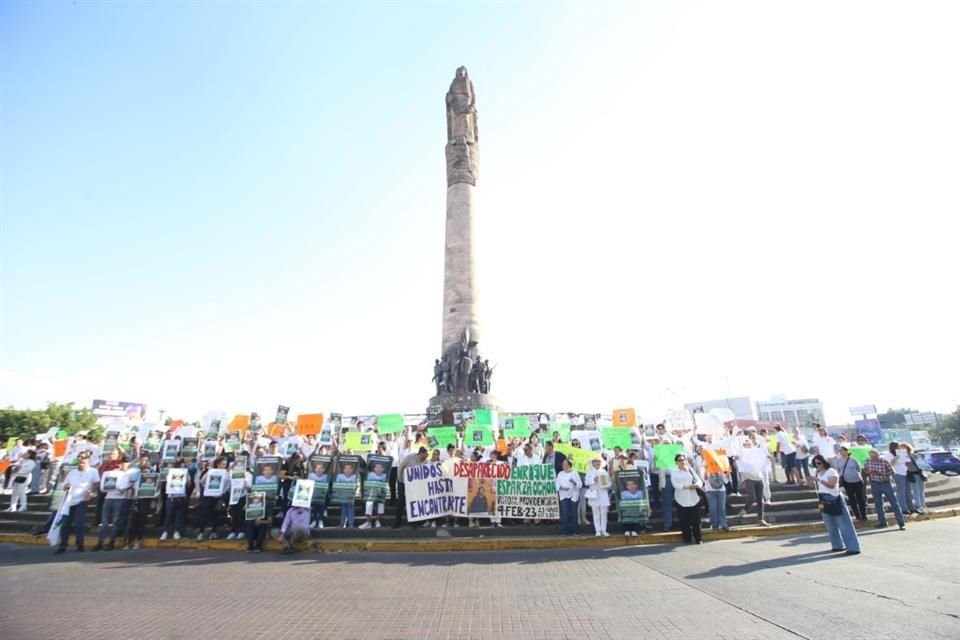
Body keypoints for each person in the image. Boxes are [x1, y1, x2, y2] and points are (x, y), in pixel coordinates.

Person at [808, 454, 861, 555]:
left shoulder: (831, 471)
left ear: (824, 462)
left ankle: (853, 547)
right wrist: (810, 480)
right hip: (822, 498)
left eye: (819, 463)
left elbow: (832, 485)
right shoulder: (816, 472)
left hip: (834, 497)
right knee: (829, 524)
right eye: (815, 463)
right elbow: (813, 485)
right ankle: (837, 545)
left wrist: (819, 480)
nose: (817, 465)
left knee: (843, 523)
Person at [55, 452, 101, 554]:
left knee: (79, 523)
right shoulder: (72, 473)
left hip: (82, 500)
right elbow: (64, 485)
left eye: (84, 463)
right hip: (70, 500)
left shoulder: (93, 471)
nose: (81, 464)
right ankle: (63, 545)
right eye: (80, 463)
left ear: (88, 463)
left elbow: (96, 483)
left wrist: (91, 491)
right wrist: (66, 486)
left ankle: (80, 545)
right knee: (66, 523)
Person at [93, 455, 133, 551]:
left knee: (116, 522)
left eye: (126, 463)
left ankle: (111, 542)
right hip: (109, 498)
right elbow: (103, 486)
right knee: (104, 522)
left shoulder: (129, 475)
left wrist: (124, 489)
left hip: (120, 499)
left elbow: (129, 486)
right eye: (122, 463)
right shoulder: (111, 473)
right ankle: (100, 542)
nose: (123, 464)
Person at [862, 449, 906, 530]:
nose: (873, 458)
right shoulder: (867, 462)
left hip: (885, 483)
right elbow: (865, 471)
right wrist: (869, 472)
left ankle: (901, 523)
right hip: (874, 483)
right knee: (878, 504)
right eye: (871, 456)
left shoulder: (884, 461)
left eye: (875, 456)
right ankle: (882, 522)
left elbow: (892, 472)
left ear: (878, 455)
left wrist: (883, 474)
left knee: (894, 503)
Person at [670, 454, 703, 544]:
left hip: (693, 498)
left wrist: (697, 485)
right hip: (681, 499)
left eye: (683, 460)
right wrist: (686, 487)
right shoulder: (674, 472)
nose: (682, 462)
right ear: (676, 462)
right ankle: (687, 538)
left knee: (696, 520)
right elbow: (675, 484)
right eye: (680, 460)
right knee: (684, 521)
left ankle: (698, 538)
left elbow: (699, 480)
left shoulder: (690, 470)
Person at [394, 447, 429, 528]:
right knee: (400, 502)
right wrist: (400, 480)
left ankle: (413, 523)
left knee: (413, 503)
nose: (427, 456)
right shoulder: (410, 457)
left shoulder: (426, 462)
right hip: (403, 483)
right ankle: (397, 522)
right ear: (421, 453)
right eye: (426, 454)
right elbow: (401, 467)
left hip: (415, 486)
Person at [738, 438, 769, 526]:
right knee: (752, 497)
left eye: (749, 444)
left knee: (761, 500)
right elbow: (738, 464)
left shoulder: (756, 454)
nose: (747, 446)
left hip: (759, 478)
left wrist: (768, 457)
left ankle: (760, 519)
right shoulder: (741, 454)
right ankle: (746, 509)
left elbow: (764, 459)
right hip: (749, 479)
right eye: (745, 445)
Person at [883, 442, 915, 515]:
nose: (899, 448)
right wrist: (897, 457)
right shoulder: (889, 455)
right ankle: (903, 508)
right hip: (897, 473)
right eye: (898, 447)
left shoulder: (902, 453)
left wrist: (906, 457)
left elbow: (906, 462)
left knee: (908, 491)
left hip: (905, 472)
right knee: (901, 492)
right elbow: (890, 464)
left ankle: (911, 507)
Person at [837, 447, 867, 522]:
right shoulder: (838, 461)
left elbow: (858, 469)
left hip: (857, 481)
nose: (841, 452)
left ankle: (863, 515)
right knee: (851, 498)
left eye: (842, 450)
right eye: (840, 451)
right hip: (846, 482)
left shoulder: (853, 460)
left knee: (860, 498)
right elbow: (838, 470)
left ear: (847, 451)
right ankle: (857, 515)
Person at [584, 457, 611, 537]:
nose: (597, 463)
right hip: (594, 494)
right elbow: (586, 482)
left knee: (604, 513)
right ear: (592, 463)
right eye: (595, 461)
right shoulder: (589, 472)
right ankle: (598, 530)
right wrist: (593, 480)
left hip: (603, 493)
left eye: (598, 461)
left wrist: (606, 484)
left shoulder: (604, 472)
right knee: (596, 513)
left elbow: (609, 483)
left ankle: (604, 530)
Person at [555, 458, 581, 536]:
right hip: (564, 495)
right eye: (562, 464)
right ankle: (564, 531)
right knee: (565, 513)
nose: (563, 465)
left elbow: (580, 484)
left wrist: (574, 482)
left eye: (564, 464)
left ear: (569, 465)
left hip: (573, 495)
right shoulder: (560, 473)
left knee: (574, 513)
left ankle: (575, 531)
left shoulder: (575, 473)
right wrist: (562, 488)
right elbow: (557, 484)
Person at [902, 443, 927, 514]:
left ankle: (922, 505)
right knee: (916, 490)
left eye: (904, 448)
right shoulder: (904, 458)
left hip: (919, 473)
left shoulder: (914, 455)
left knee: (921, 490)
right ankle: (919, 505)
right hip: (912, 474)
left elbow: (922, 464)